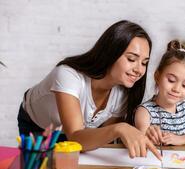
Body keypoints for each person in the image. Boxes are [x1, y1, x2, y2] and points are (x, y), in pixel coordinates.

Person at [17, 20, 161, 160]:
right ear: (110, 53)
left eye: (144, 63)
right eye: (131, 59)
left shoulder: (123, 93)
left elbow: (100, 137)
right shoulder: (68, 75)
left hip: (79, 134)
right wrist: (120, 128)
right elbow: (76, 137)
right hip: (38, 126)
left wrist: (138, 131)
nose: (139, 70)